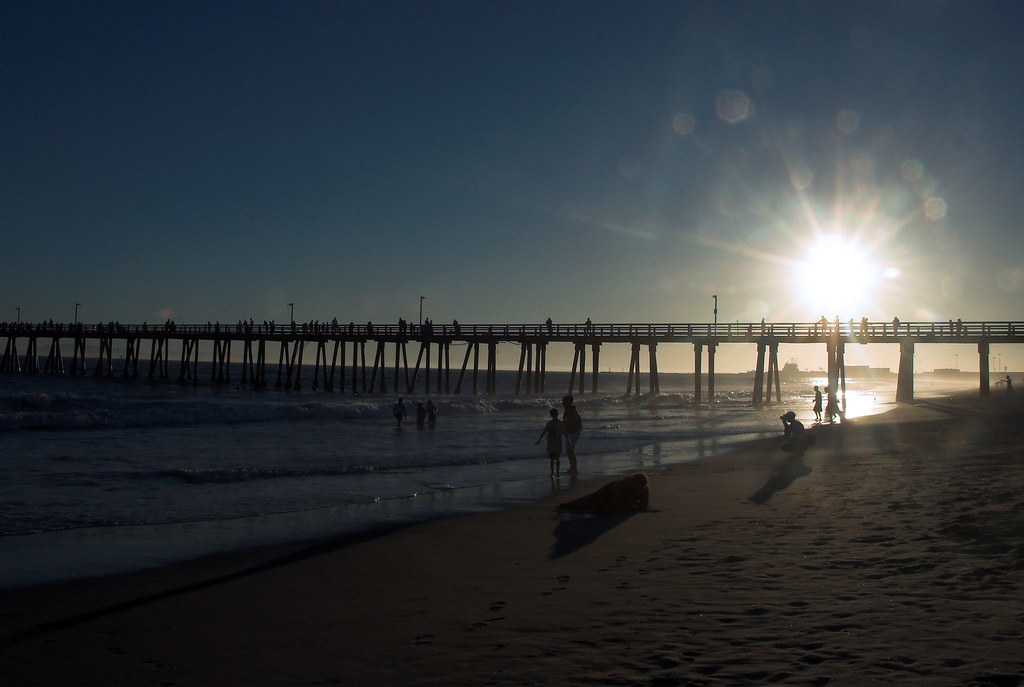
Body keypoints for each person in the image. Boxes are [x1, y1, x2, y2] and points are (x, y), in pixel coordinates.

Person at [535, 408, 566, 478]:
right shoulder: (558, 423)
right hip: (554, 443)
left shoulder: (551, 423)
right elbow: (564, 433)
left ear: (551, 415)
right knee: (555, 459)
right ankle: (554, 472)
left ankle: (554, 472)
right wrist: (539, 439)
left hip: (553, 443)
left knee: (554, 459)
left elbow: (563, 432)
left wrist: (539, 439)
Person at [561, 395, 582, 474]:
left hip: (573, 432)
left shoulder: (570, 410)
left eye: (564, 402)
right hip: (573, 431)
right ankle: (573, 467)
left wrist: (566, 428)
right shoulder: (569, 410)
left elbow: (572, 421)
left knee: (569, 450)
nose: (562, 403)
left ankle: (573, 467)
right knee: (569, 450)